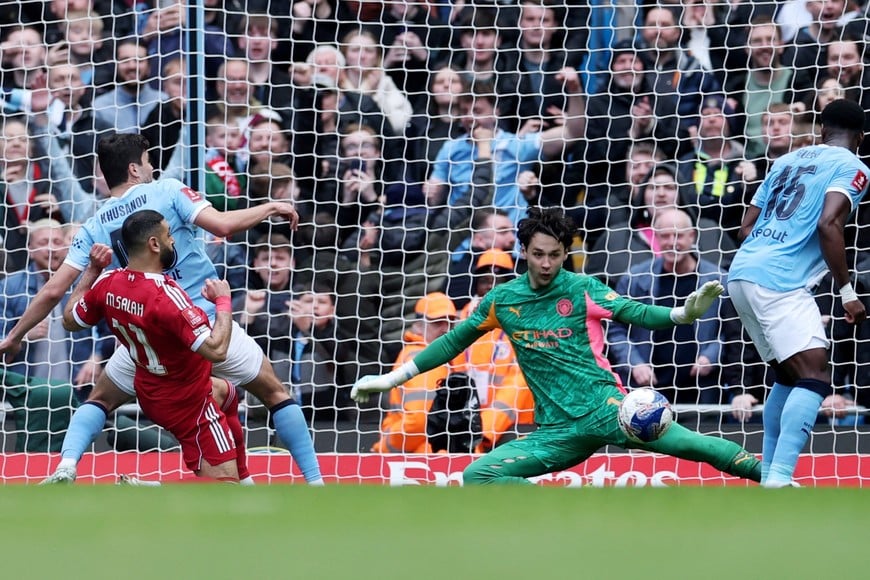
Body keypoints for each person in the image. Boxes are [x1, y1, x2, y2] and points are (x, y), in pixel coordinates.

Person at [352, 207, 761, 485]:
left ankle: (776, 478)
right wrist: (392, 378)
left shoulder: (582, 288)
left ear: (566, 254)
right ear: (524, 253)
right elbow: (450, 343)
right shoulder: (503, 301)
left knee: (690, 444)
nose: (546, 264)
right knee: (478, 476)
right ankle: (557, 524)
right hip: (556, 430)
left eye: (555, 256)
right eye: (537, 255)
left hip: (607, 411)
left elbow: (636, 313)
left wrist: (681, 315)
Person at [0, 133, 322, 485]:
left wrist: (14, 336)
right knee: (275, 392)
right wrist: (271, 207)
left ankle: (67, 465)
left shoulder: (94, 225)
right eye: (149, 160)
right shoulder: (168, 190)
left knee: (100, 399)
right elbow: (224, 226)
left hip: (146, 342)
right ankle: (315, 481)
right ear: (134, 168)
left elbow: (52, 291)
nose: (153, 167)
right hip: (206, 325)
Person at [727, 98, 869, 488]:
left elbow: (744, 229)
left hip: (741, 272)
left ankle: (771, 475)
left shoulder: (785, 161)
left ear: (821, 129)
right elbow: (828, 223)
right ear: (860, 137)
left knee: (789, 376)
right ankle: (780, 476)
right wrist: (845, 290)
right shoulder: (854, 167)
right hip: (779, 280)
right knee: (817, 374)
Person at [61, 212, 249, 483]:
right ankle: (152, 488)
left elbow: (70, 319)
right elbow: (217, 350)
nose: (173, 240)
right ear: (154, 244)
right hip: (188, 401)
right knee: (225, 487)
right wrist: (223, 302)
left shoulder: (108, 282)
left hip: (150, 390)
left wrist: (92, 270)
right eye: (169, 234)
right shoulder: (167, 296)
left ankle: (247, 478)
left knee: (228, 393)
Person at [607, 208, 727, 406]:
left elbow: (733, 332)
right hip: (647, 388)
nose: (672, 242)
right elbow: (616, 330)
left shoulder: (719, 280)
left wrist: (712, 356)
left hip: (702, 386)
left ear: (692, 236)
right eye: (665, 236)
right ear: (656, 238)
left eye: (678, 235)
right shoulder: (634, 279)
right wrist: (635, 363)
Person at [371, 292, 463, 454]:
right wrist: (384, 448)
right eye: (437, 322)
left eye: (450, 323)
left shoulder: (436, 357)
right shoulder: (422, 358)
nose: (445, 329)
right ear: (418, 326)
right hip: (429, 459)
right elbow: (419, 422)